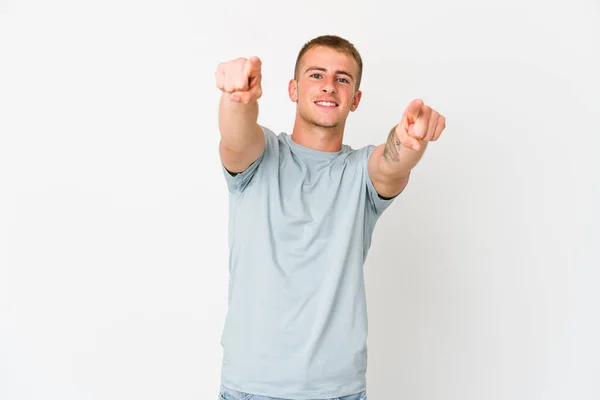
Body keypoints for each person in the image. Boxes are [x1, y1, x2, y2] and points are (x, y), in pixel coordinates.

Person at [214, 35, 446, 400]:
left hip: (337, 391)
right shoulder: (261, 155)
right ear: (293, 89)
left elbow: (392, 163)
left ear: (355, 99)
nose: (328, 85)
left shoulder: (361, 173)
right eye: (316, 75)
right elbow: (237, 136)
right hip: (250, 389)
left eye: (342, 78)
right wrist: (235, 98)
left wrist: (410, 137)